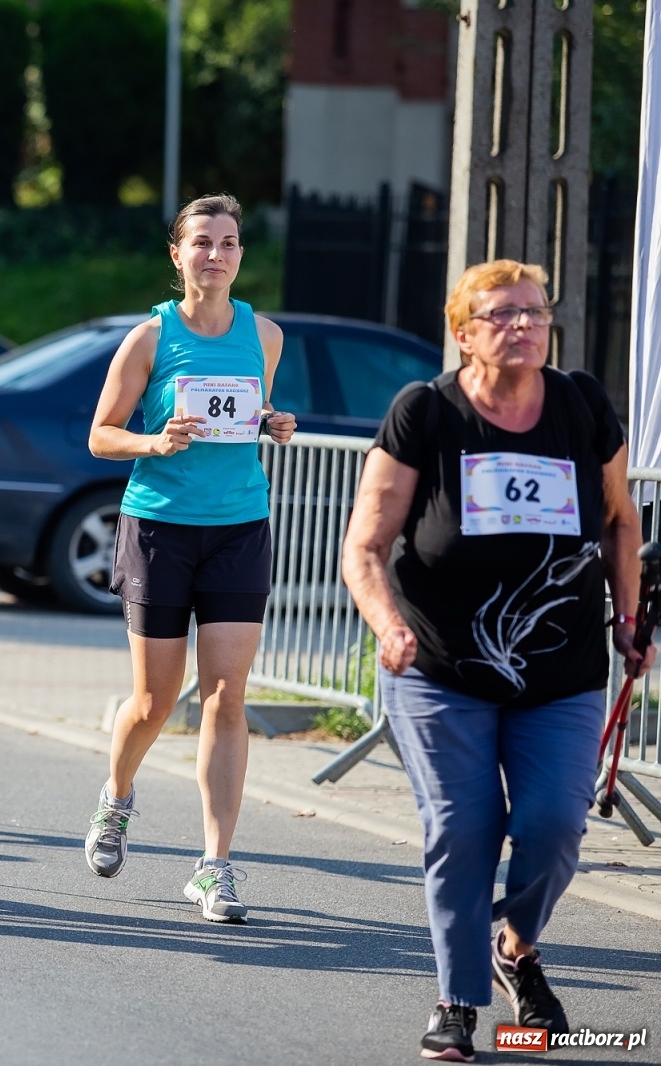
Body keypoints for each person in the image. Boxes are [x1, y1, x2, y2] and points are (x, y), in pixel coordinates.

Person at [341, 259, 652, 1062]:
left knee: (553, 825)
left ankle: (515, 942)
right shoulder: (426, 414)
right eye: (503, 314)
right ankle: (458, 1000)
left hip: (564, 667)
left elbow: (621, 522)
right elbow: (366, 546)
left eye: (535, 313)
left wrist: (629, 617)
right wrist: (386, 625)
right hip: (438, 665)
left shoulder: (581, 405)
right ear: (463, 331)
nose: (523, 326)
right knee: (463, 826)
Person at [82, 194, 296, 922]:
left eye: (229, 242)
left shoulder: (265, 335)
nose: (216, 254)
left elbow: (246, 414)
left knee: (226, 696)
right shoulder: (150, 337)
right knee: (152, 702)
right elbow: (101, 435)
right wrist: (154, 441)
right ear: (176, 255)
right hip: (160, 528)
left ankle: (215, 866)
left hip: (239, 524)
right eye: (201, 242)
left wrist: (271, 422)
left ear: (241, 255)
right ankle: (117, 797)